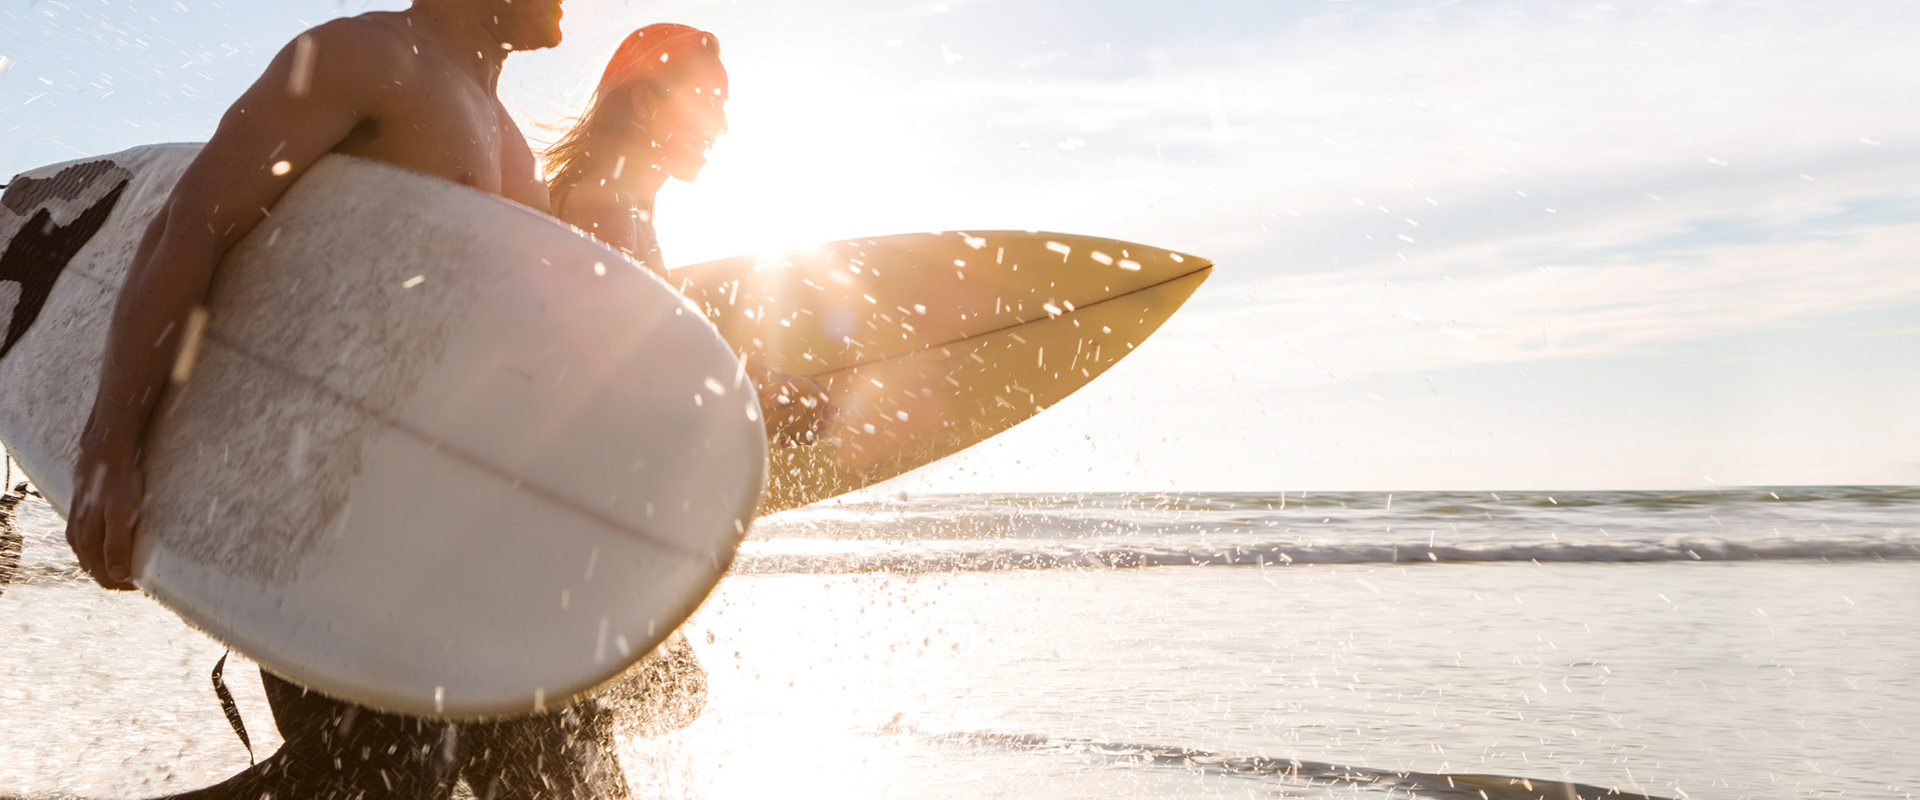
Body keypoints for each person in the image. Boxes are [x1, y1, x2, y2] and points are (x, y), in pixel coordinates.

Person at [60, 2, 637, 798]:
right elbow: (190, 227)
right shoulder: (363, 57)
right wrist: (110, 446)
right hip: (309, 492)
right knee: (384, 772)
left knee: (553, 768)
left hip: (441, 520)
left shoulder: (510, 142)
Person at [545, 24, 832, 442]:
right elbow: (635, 362)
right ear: (644, 103)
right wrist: (760, 386)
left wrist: (755, 386)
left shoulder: (629, 207)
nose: (722, 126)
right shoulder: (603, 205)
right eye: (706, 103)